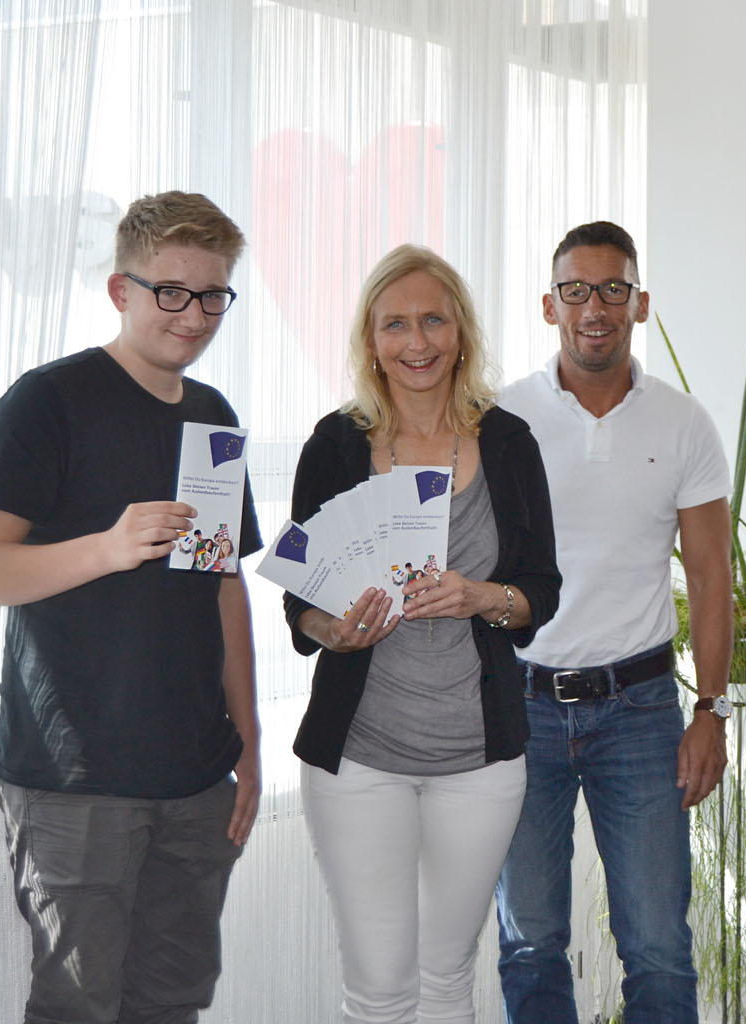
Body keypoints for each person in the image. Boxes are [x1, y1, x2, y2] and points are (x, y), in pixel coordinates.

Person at [0, 191, 261, 1022]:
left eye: (213, 296)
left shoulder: (214, 417)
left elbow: (223, 585)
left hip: (196, 776)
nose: (193, 316)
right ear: (121, 290)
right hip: (73, 780)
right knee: (77, 1008)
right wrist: (108, 548)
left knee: (173, 1003)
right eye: (172, 292)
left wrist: (251, 743)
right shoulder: (47, 401)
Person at [285, 244, 562, 1022]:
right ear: (370, 341)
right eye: (395, 324)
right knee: (378, 988)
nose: (417, 342)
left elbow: (539, 592)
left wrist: (482, 596)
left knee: (447, 977)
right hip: (359, 758)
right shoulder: (334, 444)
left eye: (433, 320)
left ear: (461, 332)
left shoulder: (508, 442)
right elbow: (300, 597)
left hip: (480, 761)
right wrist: (332, 628)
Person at [495, 221, 733, 1024]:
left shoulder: (683, 423)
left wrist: (710, 711)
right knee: (529, 941)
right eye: (575, 290)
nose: (593, 307)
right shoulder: (501, 417)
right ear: (548, 305)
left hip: (639, 711)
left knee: (658, 946)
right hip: (521, 707)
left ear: (639, 303)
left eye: (611, 289)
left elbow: (710, 576)